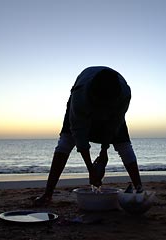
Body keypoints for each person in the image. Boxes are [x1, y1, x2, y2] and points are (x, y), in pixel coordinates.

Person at [34, 66, 143, 206]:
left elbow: (114, 124)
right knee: (66, 141)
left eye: (105, 107)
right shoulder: (80, 97)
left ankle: (140, 190)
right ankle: (47, 194)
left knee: (123, 144)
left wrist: (104, 152)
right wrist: (91, 170)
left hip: (114, 108)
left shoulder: (124, 94)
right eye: (99, 105)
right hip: (82, 97)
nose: (101, 114)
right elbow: (79, 134)